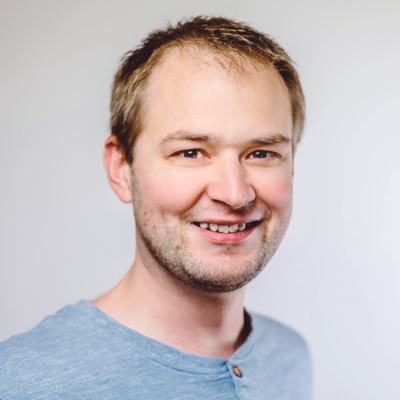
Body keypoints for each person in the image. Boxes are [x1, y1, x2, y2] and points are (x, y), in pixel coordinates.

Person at [0, 16, 312, 399]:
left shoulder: (289, 357)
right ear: (121, 168)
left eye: (262, 153)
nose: (235, 194)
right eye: (191, 152)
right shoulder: (21, 382)